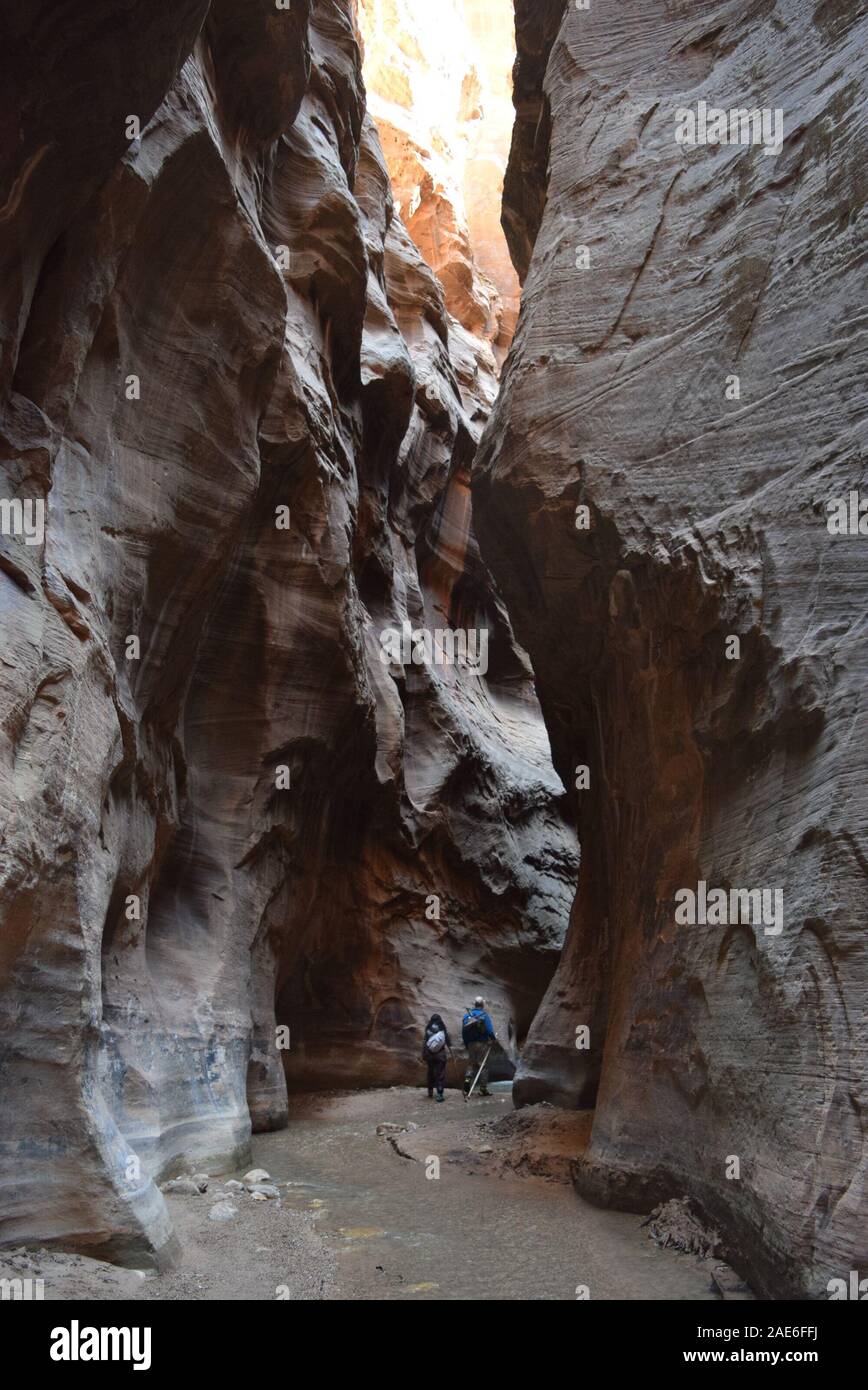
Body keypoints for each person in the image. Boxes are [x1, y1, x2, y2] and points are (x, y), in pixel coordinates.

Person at [462, 996, 496, 1096]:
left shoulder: (467, 1015)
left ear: (475, 1004)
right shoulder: (484, 1015)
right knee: (483, 1065)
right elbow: (489, 1030)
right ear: (482, 1005)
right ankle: (483, 1088)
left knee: (471, 1064)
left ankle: (467, 1080)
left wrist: (466, 1043)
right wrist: (493, 1038)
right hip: (482, 1044)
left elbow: (464, 1031)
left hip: (471, 1043)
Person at [421, 1013, 451, 1101]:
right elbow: (448, 1042)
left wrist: (424, 1054)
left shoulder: (428, 1029)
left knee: (430, 1072)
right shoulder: (442, 1029)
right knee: (440, 1073)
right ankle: (439, 1094)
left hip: (430, 1055)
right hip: (440, 1055)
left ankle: (430, 1092)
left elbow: (425, 1043)